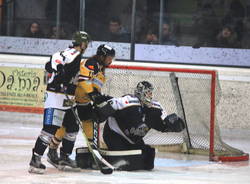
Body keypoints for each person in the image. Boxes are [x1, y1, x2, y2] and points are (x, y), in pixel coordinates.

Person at [77, 81, 185, 171]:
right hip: (114, 135)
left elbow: (164, 122)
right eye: (147, 93)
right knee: (129, 158)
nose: (150, 96)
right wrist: (97, 111)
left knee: (147, 157)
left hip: (133, 137)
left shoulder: (155, 107)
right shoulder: (128, 100)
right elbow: (110, 103)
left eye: (151, 93)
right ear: (140, 93)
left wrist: (173, 124)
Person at [28, 31, 91, 174]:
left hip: (67, 97)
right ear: (82, 44)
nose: (86, 46)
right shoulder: (76, 56)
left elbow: (48, 65)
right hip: (57, 96)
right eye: (86, 44)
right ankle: (35, 160)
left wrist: (59, 74)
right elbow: (61, 74)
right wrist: (61, 79)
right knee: (49, 129)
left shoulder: (63, 52)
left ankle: (64, 157)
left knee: (72, 127)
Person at [47, 44, 115, 170]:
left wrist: (99, 96)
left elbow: (94, 86)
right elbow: (83, 80)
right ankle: (52, 150)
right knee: (65, 126)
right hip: (72, 99)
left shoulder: (100, 68)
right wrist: (93, 94)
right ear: (102, 56)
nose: (111, 60)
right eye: (109, 57)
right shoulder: (91, 63)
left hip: (83, 100)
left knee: (88, 122)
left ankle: (91, 150)